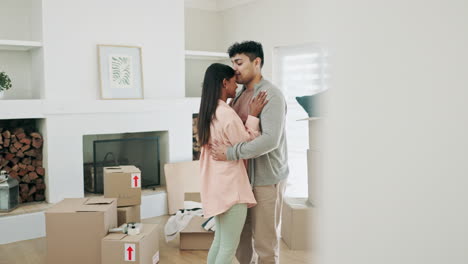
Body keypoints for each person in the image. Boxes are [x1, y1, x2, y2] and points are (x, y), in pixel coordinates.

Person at [210, 41, 289, 264]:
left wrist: (231, 153)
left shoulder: (271, 95)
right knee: (240, 243)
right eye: (232, 63)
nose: (234, 68)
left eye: (239, 62)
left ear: (257, 62)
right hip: (241, 182)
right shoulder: (238, 95)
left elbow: (270, 141)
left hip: (266, 179)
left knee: (265, 244)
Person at [198, 63, 268, 264]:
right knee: (228, 248)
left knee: (219, 243)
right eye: (234, 82)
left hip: (216, 187)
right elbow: (247, 144)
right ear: (224, 82)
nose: (237, 87)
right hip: (231, 189)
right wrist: (253, 116)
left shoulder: (208, 112)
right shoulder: (226, 113)